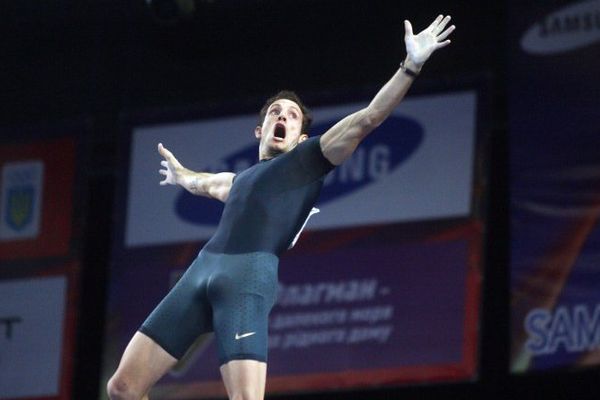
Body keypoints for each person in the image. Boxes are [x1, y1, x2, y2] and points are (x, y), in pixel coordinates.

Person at [107, 15, 455, 400]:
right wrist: (180, 174)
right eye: (275, 112)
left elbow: (368, 119)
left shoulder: (308, 158)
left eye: (291, 115)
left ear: (300, 136)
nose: (282, 116)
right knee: (122, 388)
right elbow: (203, 183)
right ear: (259, 130)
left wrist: (411, 66)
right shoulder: (239, 181)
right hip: (201, 271)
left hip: (248, 279)